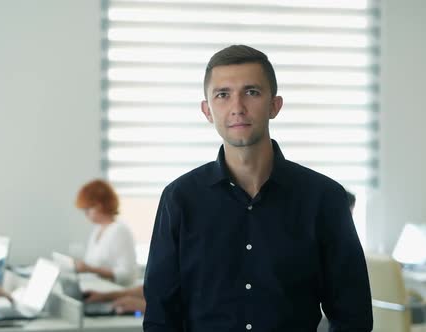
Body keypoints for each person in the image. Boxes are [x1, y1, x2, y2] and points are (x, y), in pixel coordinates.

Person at [143, 45, 372, 331]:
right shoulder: (179, 199)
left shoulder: (324, 198)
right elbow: (160, 317)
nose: (237, 107)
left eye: (251, 92)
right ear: (207, 110)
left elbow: (353, 316)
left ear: (274, 105)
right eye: (223, 95)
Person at [75, 179, 137, 286]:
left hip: (114, 295)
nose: (86, 214)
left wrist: (90, 269)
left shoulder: (119, 231)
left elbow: (127, 275)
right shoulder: (97, 230)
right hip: (97, 291)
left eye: (87, 208)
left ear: (99, 205)